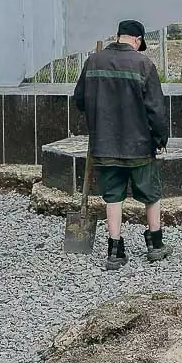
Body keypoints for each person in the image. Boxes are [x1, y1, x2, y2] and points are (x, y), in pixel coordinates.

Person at [73, 20, 171, 270]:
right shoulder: (144, 65)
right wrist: (160, 139)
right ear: (137, 40)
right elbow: (156, 110)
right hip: (139, 146)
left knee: (113, 197)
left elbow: (79, 100)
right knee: (151, 194)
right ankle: (155, 244)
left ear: (118, 36)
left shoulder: (93, 61)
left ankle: (115, 250)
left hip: (103, 145)